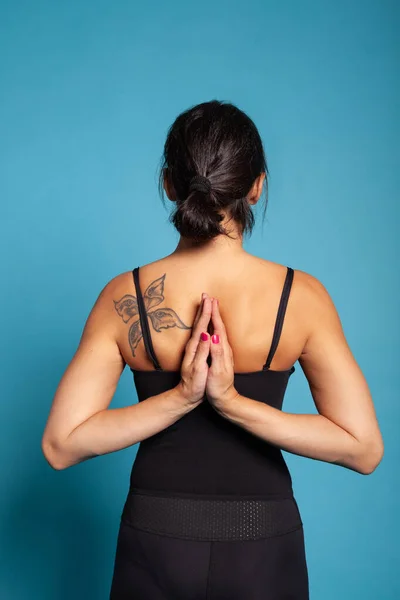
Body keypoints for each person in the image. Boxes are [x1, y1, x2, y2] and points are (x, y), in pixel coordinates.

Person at [41, 100, 384, 600]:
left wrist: (181, 397)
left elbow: (60, 445)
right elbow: (363, 448)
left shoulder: (125, 297)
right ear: (257, 185)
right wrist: (233, 404)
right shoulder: (301, 297)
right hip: (263, 545)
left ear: (169, 184)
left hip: (155, 544)